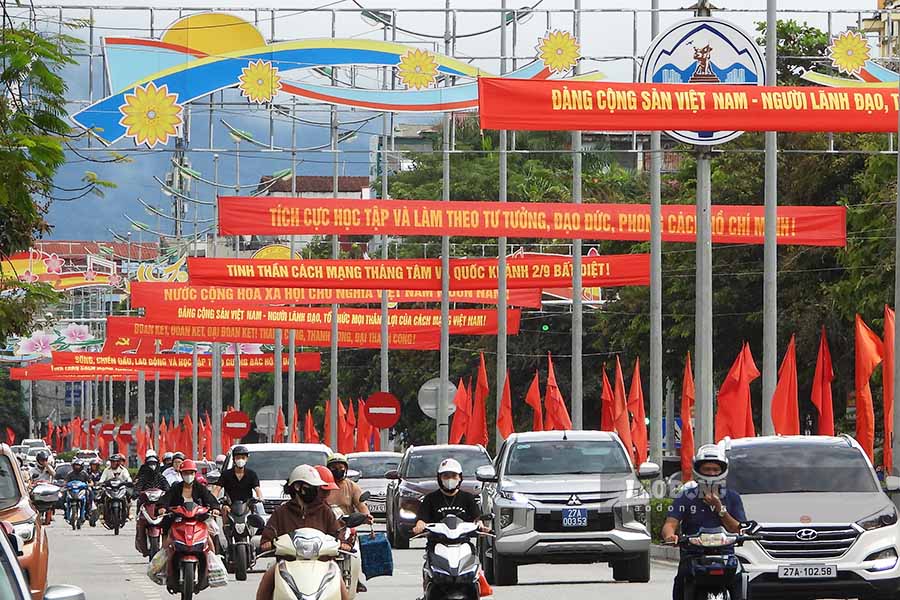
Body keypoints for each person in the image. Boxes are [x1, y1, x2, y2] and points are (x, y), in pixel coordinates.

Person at [661, 444, 747, 600]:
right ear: (698, 470)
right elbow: (670, 524)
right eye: (707, 469)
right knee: (681, 581)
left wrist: (719, 508)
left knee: (740, 579)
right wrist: (670, 536)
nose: (711, 473)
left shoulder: (733, 497)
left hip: (725, 555)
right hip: (693, 554)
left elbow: (738, 528)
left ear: (723, 471)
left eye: (715, 469)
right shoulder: (685, 497)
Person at [256, 465, 349, 600]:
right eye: (311, 486)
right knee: (268, 578)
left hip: (323, 565)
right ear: (297, 487)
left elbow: (337, 532)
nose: (316, 490)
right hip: (287, 565)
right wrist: (267, 544)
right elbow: (267, 537)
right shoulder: (281, 512)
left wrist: (343, 543)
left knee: (340, 585)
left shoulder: (325, 511)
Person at [412, 459, 480, 534]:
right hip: (437, 541)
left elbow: (477, 518)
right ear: (440, 478)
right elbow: (422, 519)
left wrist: (480, 525)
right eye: (446, 476)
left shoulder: (468, 497)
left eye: (454, 476)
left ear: (460, 478)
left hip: (463, 541)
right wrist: (420, 525)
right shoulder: (430, 498)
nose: (450, 479)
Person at [134, 453, 171, 555]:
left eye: (154, 463)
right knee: (139, 510)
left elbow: (167, 487)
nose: (152, 466)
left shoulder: (161, 477)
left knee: (169, 518)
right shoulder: (143, 477)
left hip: (159, 505)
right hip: (145, 504)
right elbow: (138, 487)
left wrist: (168, 492)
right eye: (150, 464)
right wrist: (136, 492)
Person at [210, 446, 263, 511]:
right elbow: (217, 489)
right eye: (238, 458)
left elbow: (257, 489)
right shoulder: (226, 474)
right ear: (234, 459)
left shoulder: (252, 474)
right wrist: (212, 502)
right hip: (229, 506)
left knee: (258, 519)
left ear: (246, 459)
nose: (240, 460)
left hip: (247, 507)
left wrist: (260, 498)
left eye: (243, 458)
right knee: (224, 510)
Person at [325, 453, 373, 523]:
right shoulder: (322, 486)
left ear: (346, 469)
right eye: (334, 467)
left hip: (346, 527)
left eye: (341, 467)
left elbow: (361, 505)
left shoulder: (352, 487)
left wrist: (366, 516)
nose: (338, 470)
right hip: (325, 526)